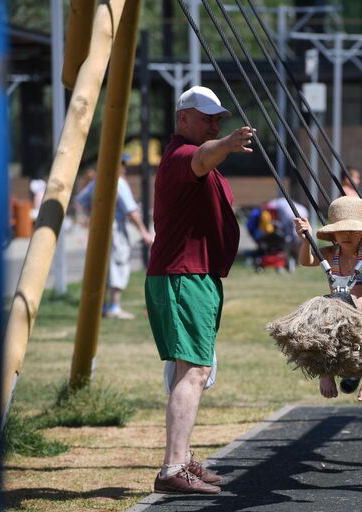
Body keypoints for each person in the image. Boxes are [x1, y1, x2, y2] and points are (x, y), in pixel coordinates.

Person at [145, 85, 255, 494]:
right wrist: (226, 142)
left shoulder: (192, 157)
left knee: (189, 370)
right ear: (182, 119)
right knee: (194, 371)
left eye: (218, 119)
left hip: (194, 275)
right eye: (207, 117)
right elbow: (204, 156)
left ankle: (182, 456)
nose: (214, 123)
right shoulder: (180, 157)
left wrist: (220, 142)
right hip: (183, 276)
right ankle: (173, 468)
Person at [294, 195, 362, 402]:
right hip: (339, 319)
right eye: (342, 230)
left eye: (353, 230)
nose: (347, 235)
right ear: (333, 234)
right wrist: (305, 241)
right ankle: (326, 371)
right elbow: (306, 261)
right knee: (319, 308)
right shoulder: (330, 253)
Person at [75, 155, 154, 319]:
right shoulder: (119, 182)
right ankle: (114, 307)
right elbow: (131, 211)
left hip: (98, 231)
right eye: (123, 164)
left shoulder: (97, 181)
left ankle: (101, 307)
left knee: (101, 269)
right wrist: (144, 232)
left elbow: (81, 201)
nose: (124, 168)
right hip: (115, 231)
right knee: (118, 265)